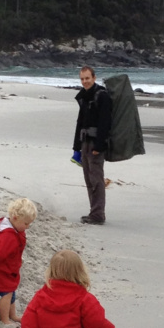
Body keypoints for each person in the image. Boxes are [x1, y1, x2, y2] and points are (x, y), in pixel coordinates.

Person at [0, 197, 37, 325]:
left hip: (9, 269)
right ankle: (5, 319)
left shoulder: (9, 227)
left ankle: (13, 315)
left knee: (11, 291)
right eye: (26, 223)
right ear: (15, 218)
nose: (27, 227)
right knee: (7, 294)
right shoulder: (8, 236)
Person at [73, 66, 112, 224]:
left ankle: (98, 215)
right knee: (89, 179)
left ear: (94, 78)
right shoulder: (83, 96)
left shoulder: (102, 96)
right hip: (85, 143)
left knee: (96, 179)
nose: (85, 81)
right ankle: (94, 212)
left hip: (96, 144)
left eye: (87, 78)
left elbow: (105, 122)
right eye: (82, 79)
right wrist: (76, 146)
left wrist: (99, 146)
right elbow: (80, 122)